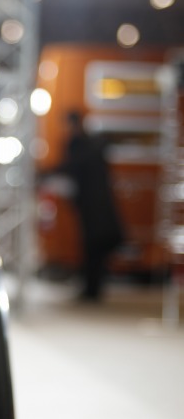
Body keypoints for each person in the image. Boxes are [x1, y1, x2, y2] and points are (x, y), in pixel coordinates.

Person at [56, 110, 124, 300]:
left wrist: (44, 173)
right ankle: (93, 288)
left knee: (92, 248)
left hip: (92, 206)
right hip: (99, 204)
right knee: (95, 249)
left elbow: (70, 166)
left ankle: (91, 290)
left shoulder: (79, 145)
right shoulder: (92, 144)